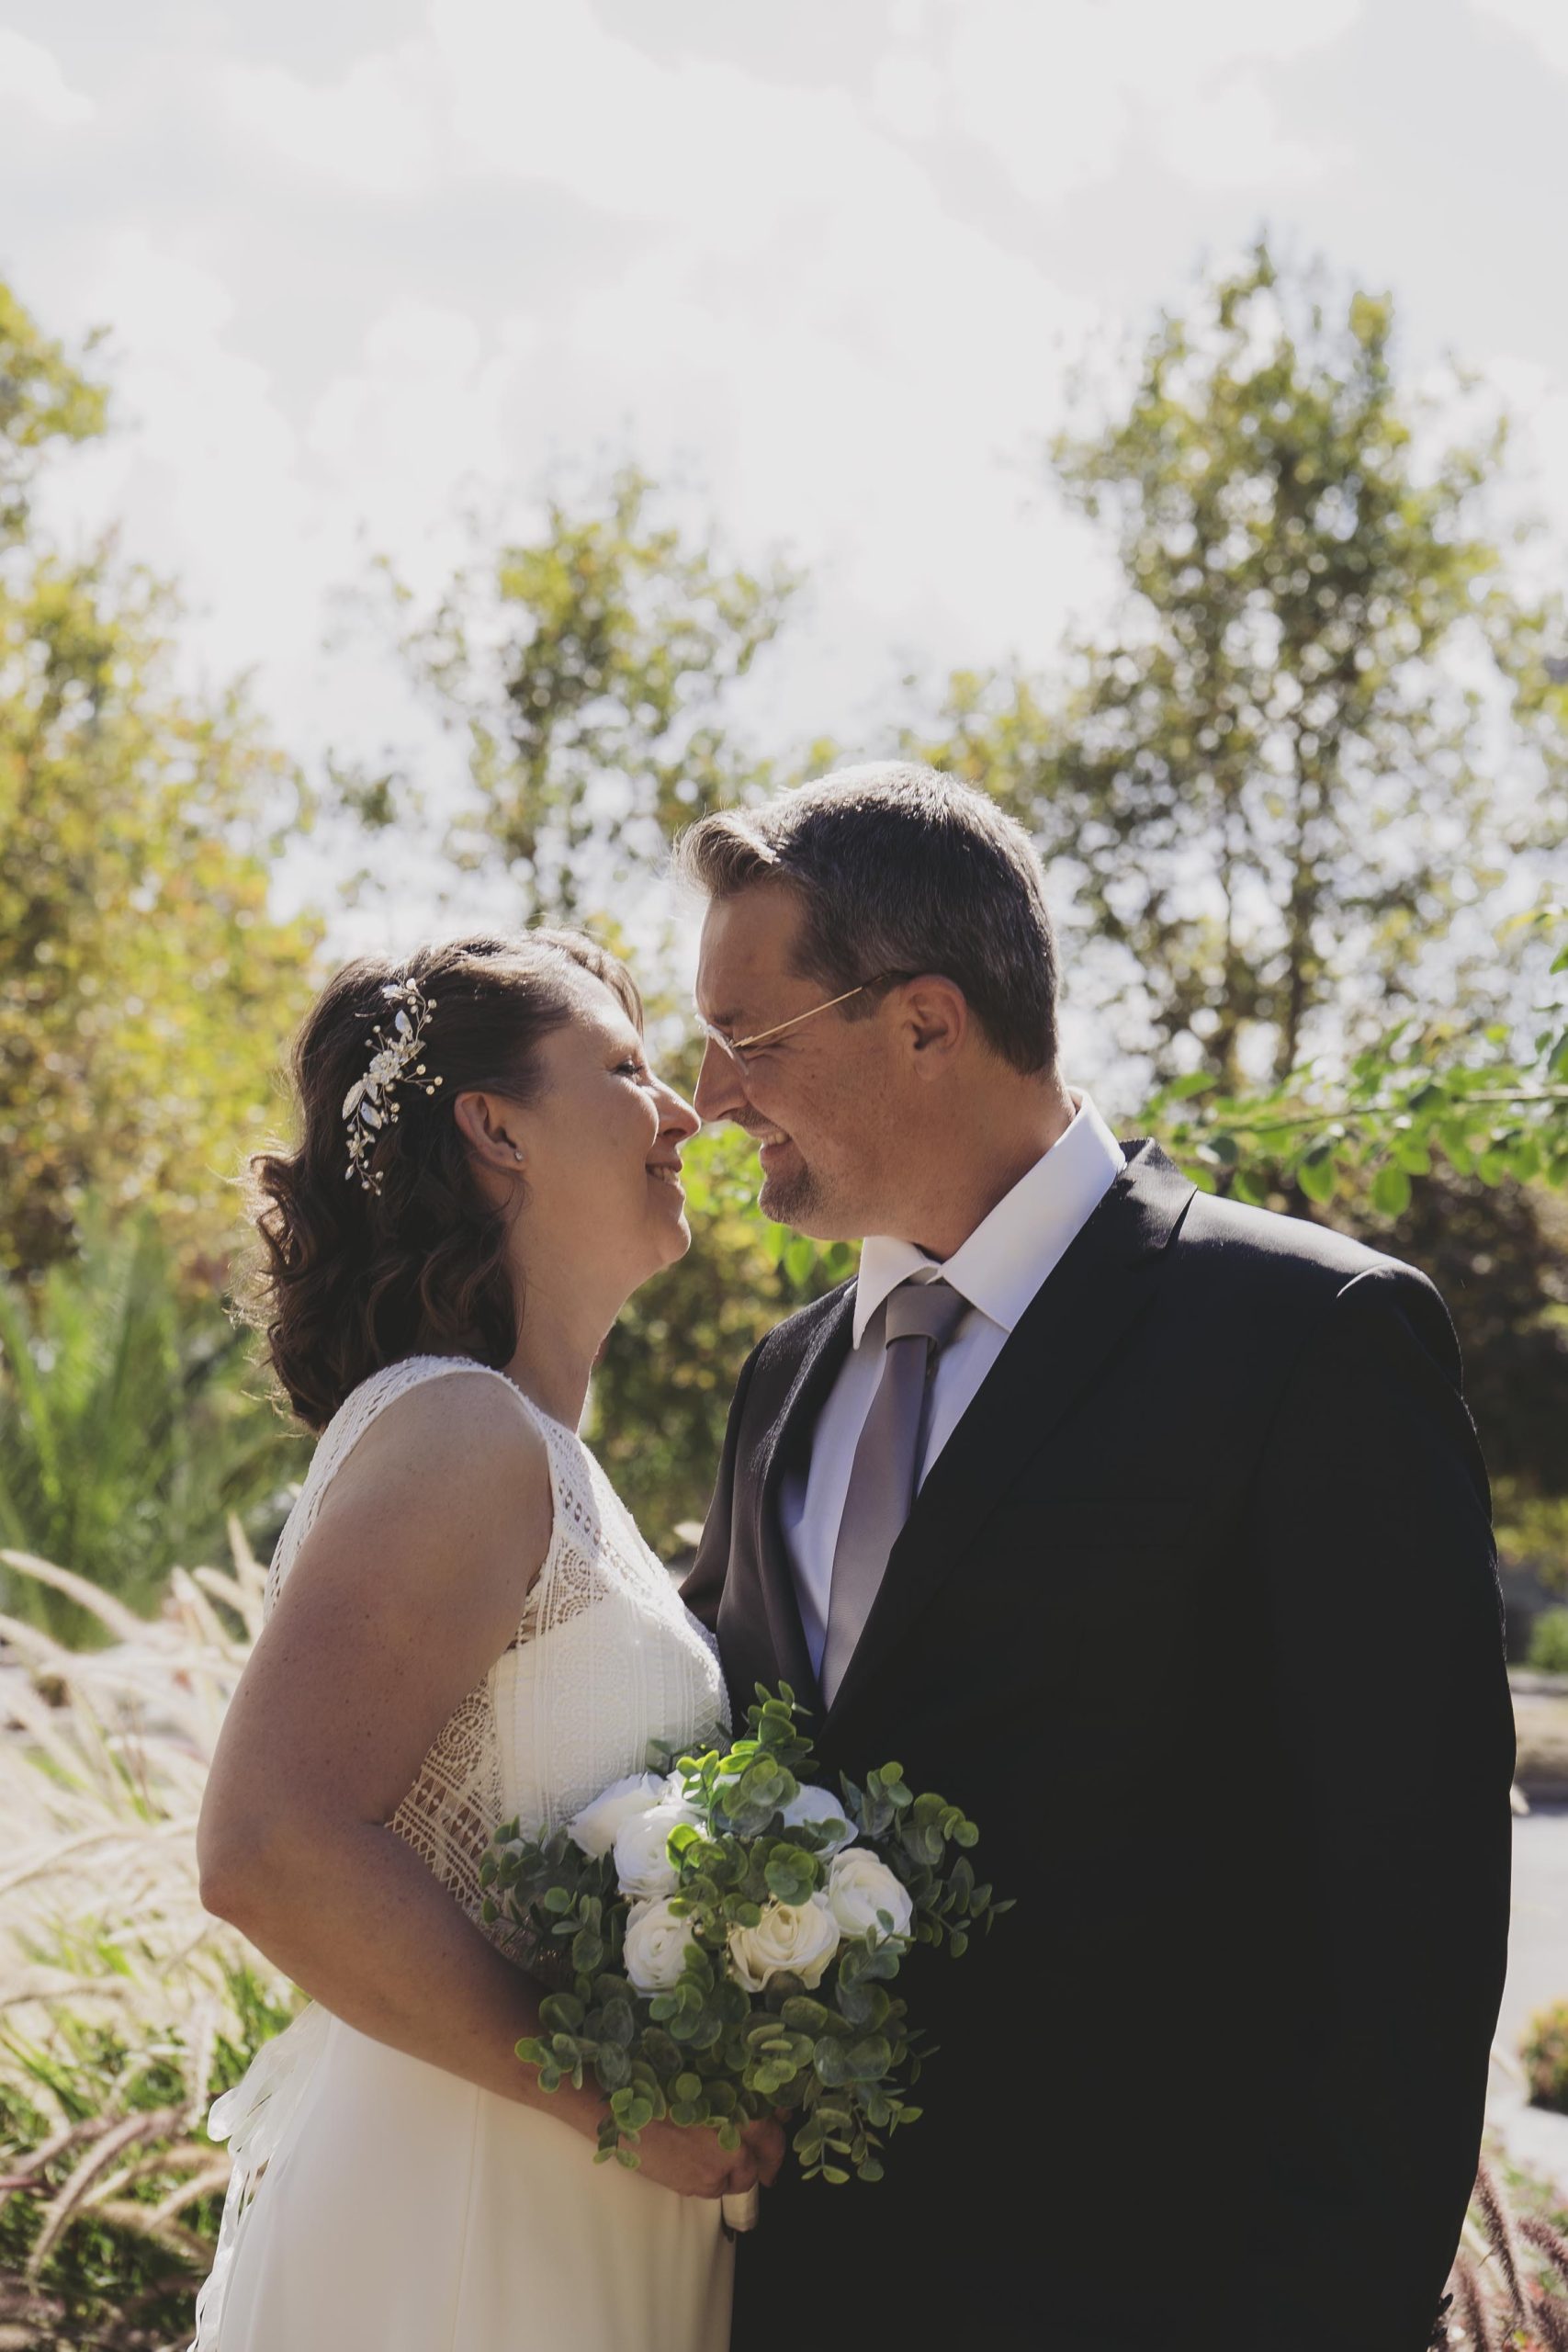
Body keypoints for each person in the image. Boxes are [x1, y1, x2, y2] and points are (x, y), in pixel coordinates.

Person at [677, 763, 1516, 2352]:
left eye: (750, 1039)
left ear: (927, 1023)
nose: (711, 1097)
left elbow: (1411, 1920)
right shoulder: (780, 1381)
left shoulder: (1310, 1339)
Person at [192, 929, 781, 2352]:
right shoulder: (461, 1433)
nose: (685, 1112)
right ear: (495, 1128)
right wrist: (618, 2103)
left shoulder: (542, 1456)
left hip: (576, 2215)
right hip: (462, 2228)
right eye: (626, 1070)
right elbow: (268, 1843)